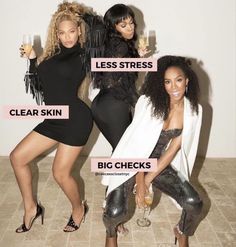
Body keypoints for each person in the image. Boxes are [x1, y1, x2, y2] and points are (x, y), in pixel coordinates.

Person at [102, 55, 203, 247]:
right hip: (131, 159)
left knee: (194, 203)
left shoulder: (193, 111)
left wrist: (148, 179)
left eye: (178, 80)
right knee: (115, 213)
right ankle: (111, 233)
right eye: (167, 82)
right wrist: (140, 181)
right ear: (161, 84)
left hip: (158, 161)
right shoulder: (149, 104)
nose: (173, 87)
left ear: (187, 81)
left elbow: (174, 147)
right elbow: (139, 145)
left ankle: (182, 232)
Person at [10, 2, 93, 233]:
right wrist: (34, 58)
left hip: (76, 120)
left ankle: (78, 208)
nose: (68, 37)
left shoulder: (85, 53)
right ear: (56, 33)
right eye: (62, 32)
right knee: (17, 158)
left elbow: (100, 29)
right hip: (53, 118)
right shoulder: (52, 55)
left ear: (79, 31)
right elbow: (43, 84)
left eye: (72, 31)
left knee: (60, 173)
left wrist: (74, 12)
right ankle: (31, 208)